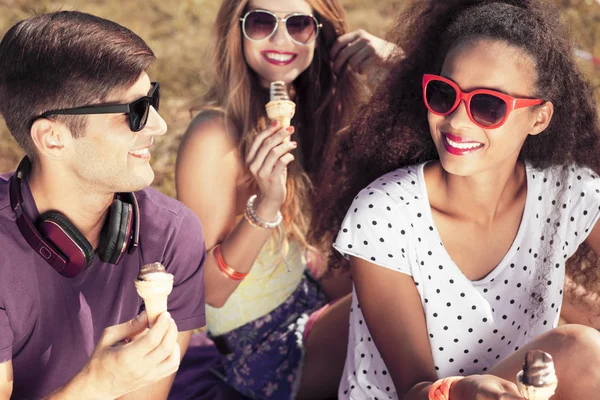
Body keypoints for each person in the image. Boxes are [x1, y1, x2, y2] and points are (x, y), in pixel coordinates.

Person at [313, 0, 600, 398]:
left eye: (488, 105)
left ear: (539, 118)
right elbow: (413, 387)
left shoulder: (568, 193)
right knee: (583, 351)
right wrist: (462, 390)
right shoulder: (383, 212)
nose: (457, 120)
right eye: (445, 95)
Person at [174, 0, 401, 398]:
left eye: (298, 24)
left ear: (319, 32)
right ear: (237, 30)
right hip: (265, 347)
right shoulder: (214, 135)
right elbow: (207, 291)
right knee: (415, 305)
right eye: (261, 22)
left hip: (312, 298)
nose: (281, 39)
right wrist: (265, 205)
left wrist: (399, 67)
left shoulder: (310, 109)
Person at [0, 11, 206, 399]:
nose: (159, 125)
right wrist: (100, 385)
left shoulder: (173, 233)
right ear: (53, 138)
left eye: (152, 99)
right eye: (134, 112)